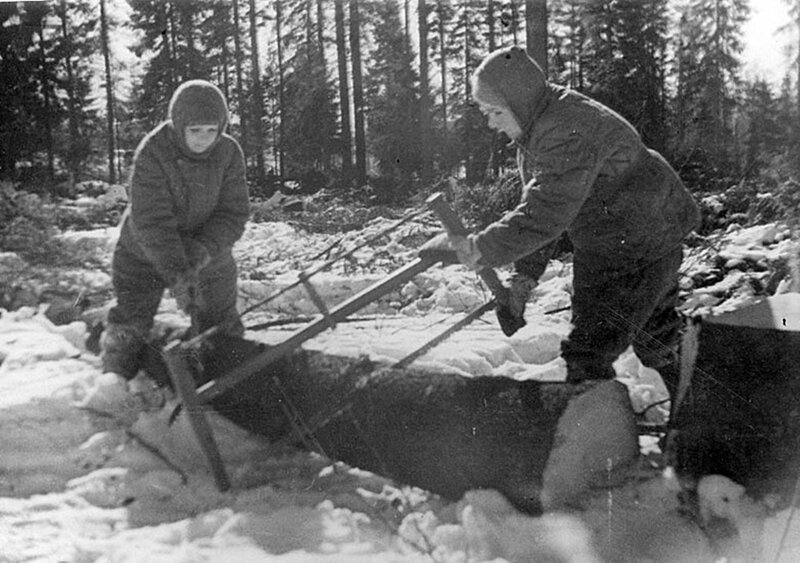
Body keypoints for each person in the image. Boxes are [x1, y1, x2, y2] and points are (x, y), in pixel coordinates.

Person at [421, 46, 699, 397]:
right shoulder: (543, 123)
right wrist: (525, 278)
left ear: (519, 102)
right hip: (644, 234)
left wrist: (479, 249)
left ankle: (595, 445)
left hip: (632, 245)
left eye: (495, 112)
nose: (491, 123)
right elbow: (544, 207)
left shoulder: (564, 130)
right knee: (655, 337)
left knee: (589, 354)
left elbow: (547, 212)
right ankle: (700, 415)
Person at [101, 79, 250, 380]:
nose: (203, 139)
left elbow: (233, 213)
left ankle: (228, 383)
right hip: (144, 250)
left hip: (207, 252)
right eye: (195, 130)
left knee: (220, 324)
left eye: (212, 130)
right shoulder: (154, 151)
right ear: (179, 124)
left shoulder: (229, 152)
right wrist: (180, 273)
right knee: (131, 323)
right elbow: (152, 221)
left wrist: (203, 250)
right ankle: (114, 383)